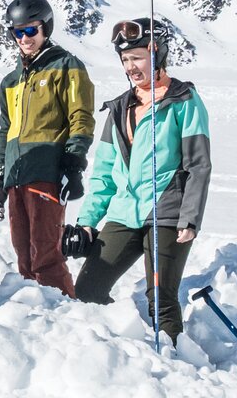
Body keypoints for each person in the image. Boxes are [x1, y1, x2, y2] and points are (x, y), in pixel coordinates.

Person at [65, 17, 211, 345]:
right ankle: (122, 351)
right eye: (125, 59)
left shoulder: (183, 101)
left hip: (167, 211)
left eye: (137, 57)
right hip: (125, 211)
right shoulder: (118, 109)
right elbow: (103, 173)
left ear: (157, 54)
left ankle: (175, 363)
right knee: (86, 290)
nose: (130, 66)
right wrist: (88, 221)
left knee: (161, 298)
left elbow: (198, 165)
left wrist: (189, 216)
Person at [0, 0, 95, 296]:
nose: (24, 38)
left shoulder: (66, 66)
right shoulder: (11, 81)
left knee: (46, 255)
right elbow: (5, 129)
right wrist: (0, 173)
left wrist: (73, 163)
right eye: (18, 32)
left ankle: (64, 316)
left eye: (30, 30)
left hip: (47, 172)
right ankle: (37, 320)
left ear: (45, 28)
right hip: (17, 175)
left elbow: (81, 117)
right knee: (23, 253)